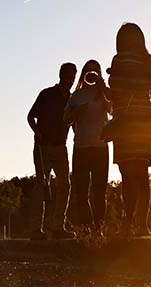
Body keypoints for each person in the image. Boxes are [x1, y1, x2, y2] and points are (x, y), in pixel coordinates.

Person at [107, 23, 151, 236]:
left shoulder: (118, 60)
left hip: (124, 121)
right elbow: (150, 90)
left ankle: (128, 223)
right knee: (141, 172)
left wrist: (108, 82)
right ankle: (142, 224)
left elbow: (115, 91)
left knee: (127, 174)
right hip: (145, 118)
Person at [27, 63, 77, 240]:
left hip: (60, 147)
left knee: (65, 184)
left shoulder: (72, 99)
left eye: (72, 78)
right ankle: (35, 229)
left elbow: (73, 123)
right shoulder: (46, 94)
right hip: (43, 146)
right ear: (60, 76)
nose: (69, 81)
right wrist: (37, 132)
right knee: (41, 185)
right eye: (66, 77)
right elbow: (30, 116)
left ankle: (58, 227)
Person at [64, 61, 111, 233]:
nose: (91, 75)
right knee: (81, 192)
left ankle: (99, 228)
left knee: (99, 191)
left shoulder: (103, 94)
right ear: (84, 73)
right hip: (81, 147)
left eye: (95, 72)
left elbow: (112, 110)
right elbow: (65, 120)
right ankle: (86, 228)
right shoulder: (77, 96)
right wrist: (76, 112)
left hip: (100, 147)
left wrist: (103, 87)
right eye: (89, 72)